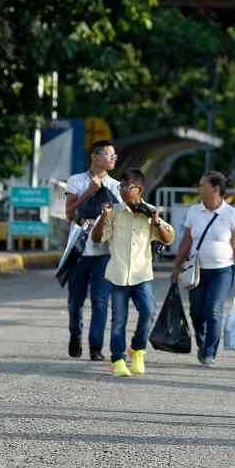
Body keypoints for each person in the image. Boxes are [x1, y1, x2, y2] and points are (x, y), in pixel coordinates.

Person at [92, 169, 175, 377]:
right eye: (121, 187)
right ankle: (118, 359)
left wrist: (156, 221)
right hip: (118, 275)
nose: (123, 191)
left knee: (148, 311)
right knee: (118, 319)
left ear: (140, 189)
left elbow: (168, 239)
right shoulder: (114, 211)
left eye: (128, 187)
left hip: (142, 275)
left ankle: (137, 350)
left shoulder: (150, 212)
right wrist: (103, 217)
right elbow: (97, 238)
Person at [171, 171, 235, 367]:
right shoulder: (194, 211)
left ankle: (209, 352)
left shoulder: (232, 213)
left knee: (213, 309)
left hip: (222, 270)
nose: (199, 188)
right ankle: (202, 343)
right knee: (196, 313)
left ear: (214, 188)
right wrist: (176, 266)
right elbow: (187, 240)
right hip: (197, 270)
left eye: (202, 184)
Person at [63, 140, 120, 361]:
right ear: (95, 156)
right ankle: (75, 335)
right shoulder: (76, 181)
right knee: (75, 301)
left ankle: (96, 346)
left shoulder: (115, 186)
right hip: (79, 250)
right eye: (109, 154)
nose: (113, 158)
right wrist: (88, 192)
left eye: (115, 155)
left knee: (101, 301)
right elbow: (69, 215)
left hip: (104, 253)